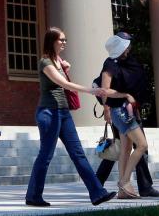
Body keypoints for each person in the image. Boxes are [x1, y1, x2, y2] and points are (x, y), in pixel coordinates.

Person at [25, 27, 113, 208]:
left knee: (78, 153)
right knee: (46, 155)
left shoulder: (58, 61)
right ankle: (33, 196)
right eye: (61, 40)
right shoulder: (45, 62)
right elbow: (63, 84)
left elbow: (63, 80)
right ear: (52, 41)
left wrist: (65, 67)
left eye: (65, 40)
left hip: (63, 113)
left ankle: (97, 193)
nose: (65, 42)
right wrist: (91, 90)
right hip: (49, 113)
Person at [96, 32, 159, 199]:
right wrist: (123, 97)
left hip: (127, 110)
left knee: (125, 149)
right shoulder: (110, 64)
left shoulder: (125, 62)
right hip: (120, 111)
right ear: (121, 47)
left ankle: (122, 191)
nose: (129, 48)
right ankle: (124, 182)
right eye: (127, 45)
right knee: (142, 145)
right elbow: (104, 90)